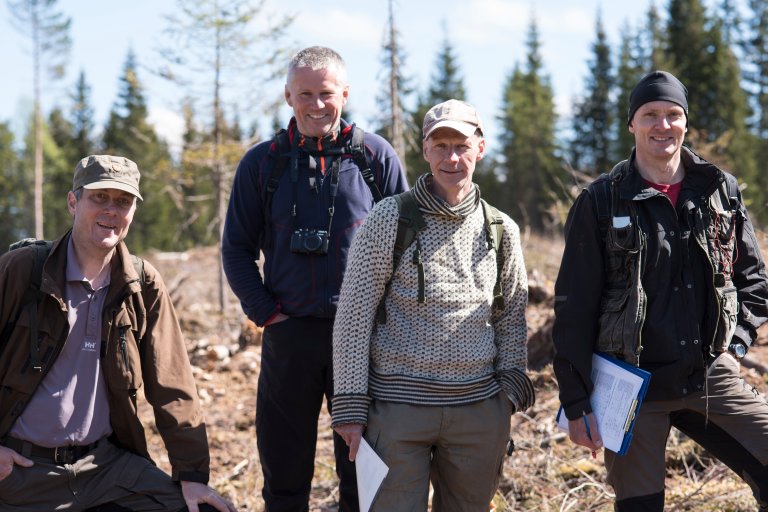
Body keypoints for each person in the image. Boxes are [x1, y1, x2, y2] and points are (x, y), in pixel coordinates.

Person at [552, 70, 768, 511]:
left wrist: (737, 346)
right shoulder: (600, 201)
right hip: (631, 388)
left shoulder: (718, 190)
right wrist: (576, 402)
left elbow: (757, 284)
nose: (662, 125)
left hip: (709, 376)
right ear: (632, 124)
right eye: (650, 114)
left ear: (686, 122)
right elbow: (573, 309)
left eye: (673, 114)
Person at [221, 46, 408, 511]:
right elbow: (236, 250)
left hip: (364, 341)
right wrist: (267, 313)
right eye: (305, 93)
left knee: (362, 476)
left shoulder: (373, 156)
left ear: (344, 93)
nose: (316, 104)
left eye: (326, 93)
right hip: (290, 335)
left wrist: (393, 318)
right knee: (284, 475)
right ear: (288, 96)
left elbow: (408, 245)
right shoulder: (262, 164)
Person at [0, 155, 235, 512]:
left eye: (123, 202)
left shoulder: (142, 284)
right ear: (73, 202)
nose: (112, 210)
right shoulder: (24, 270)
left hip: (105, 468)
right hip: (22, 472)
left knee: (201, 508)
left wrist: (192, 475)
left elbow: (173, 384)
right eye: (100, 198)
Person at [331, 99, 535, 510]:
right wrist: (351, 405)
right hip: (396, 411)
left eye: (461, 145)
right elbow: (354, 315)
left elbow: (512, 316)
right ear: (425, 150)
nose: (451, 157)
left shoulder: (501, 229)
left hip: (478, 412)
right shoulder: (389, 218)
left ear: (480, 148)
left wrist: (510, 390)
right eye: (440, 146)